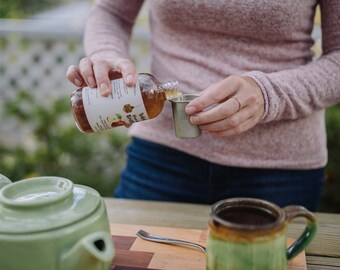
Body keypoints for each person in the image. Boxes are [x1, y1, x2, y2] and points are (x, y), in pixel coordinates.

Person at [66, 0, 340, 211]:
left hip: (280, 169)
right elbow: (112, 12)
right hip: (161, 155)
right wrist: (106, 54)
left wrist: (268, 94)